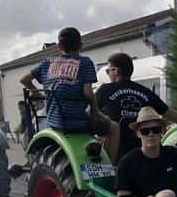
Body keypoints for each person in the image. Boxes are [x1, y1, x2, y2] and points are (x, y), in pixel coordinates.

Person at [20, 26, 119, 160]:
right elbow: (88, 93)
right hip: (77, 123)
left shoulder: (48, 62)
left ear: (59, 46)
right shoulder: (85, 62)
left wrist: (36, 92)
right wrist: (97, 111)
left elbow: (24, 79)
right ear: (81, 45)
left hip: (54, 122)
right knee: (114, 128)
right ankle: (110, 166)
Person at [96, 52, 177, 162]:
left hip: (117, 155)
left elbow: (89, 112)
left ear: (116, 71)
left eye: (108, 71)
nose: (108, 74)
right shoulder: (146, 92)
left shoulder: (105, 90)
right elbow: (170, 114)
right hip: (144, 154)